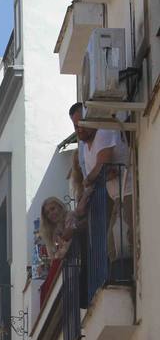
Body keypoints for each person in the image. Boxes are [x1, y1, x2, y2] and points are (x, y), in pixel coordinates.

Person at [68, 102, 132, 263]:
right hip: (116, 196)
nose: (79, 129)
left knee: (120, 240)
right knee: (113, 244)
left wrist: (90, 179)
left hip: (129, 190)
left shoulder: (103, 130)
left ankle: (128, 279)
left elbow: (103, 166)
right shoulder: (84, 148)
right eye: (76, 126)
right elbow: (100, 175)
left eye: (82, 123)